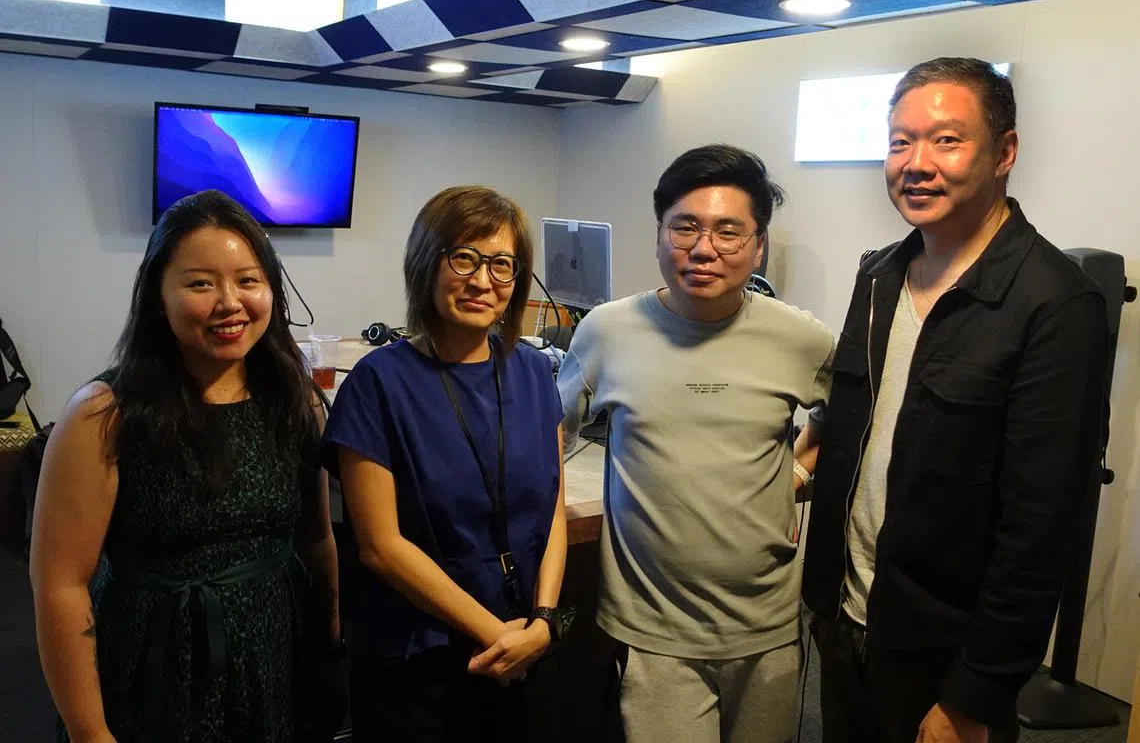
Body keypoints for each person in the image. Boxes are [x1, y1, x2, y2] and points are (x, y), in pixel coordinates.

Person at [801, 57, 1111, 743]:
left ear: (1005, 152)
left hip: (944, 663)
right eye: (900, 141)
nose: (916, 162)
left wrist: (974, 695)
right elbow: (858, 431)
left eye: (946, 139)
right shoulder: (879, 275)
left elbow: (1042, 525)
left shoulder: (1054, 303)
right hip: (847, 623)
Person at [30, 189, 343, 742]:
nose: (230, 303)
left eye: (249, 280)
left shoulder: (293, 398)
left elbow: (316, 539)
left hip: (279, 658)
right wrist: (88, 731)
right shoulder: (104, 414)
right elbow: (60, 584)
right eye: (201, 283)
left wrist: (331, 642)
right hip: (153, 665)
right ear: (158, 295)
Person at [558, 144, 835, 743]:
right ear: (658, 236)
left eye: (729, 232)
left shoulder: (799, 337)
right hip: (652, 631)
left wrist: (797, 474)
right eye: (685, 227)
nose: (704, 248)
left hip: (767, 626)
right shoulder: (606, 331)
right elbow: (549, 441)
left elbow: (845, 414)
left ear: (758, 245)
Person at [322, 186, 567, 742]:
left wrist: (545, 623)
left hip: (526, 642)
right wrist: (498, 638)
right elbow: (381, 548)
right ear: (425, 263)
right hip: (420, 664)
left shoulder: (533, 372)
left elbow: (551, 507)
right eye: (464, 257)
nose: (482, 281)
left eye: (501, 264)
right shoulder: (378, 383)